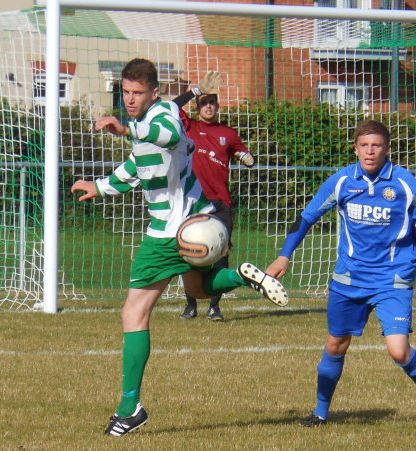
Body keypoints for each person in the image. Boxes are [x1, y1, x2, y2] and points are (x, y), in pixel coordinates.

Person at [70, 58, 288, 437]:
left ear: (154, 92)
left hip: (170, 232)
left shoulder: (164, 117)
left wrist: (125, 128)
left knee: (133, 313)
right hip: (197, 225)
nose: (131, 98)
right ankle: (240, 275)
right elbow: (136, 168)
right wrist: (99, 186)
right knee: (199, 291)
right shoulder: (155, 120)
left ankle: (129, 408)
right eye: (125, 92)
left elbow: (167, 136)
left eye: (138, 93)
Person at [266, 119, 416, 431]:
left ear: (387, 149)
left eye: (377, 145)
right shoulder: (342, 182)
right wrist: (284, 255)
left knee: (398, 351)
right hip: (350, 278)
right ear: (355, 149)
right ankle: (320, 413)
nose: (370, 151)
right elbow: (307, 218)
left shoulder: (403, 184)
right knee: (335, 346)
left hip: (392, 278)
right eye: (364, 145)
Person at [172, 73, 256, 321]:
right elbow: (172, 107)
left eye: (212, 102)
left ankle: (214, 307)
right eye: (204, 102)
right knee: (190, 252)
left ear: (218, 106)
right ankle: (190, 305)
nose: (208, 106)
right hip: (193, 202)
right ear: (197, 107)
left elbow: (244, 154)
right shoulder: (189, 127)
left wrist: (246, 158)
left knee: (220, 252)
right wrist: (195, 91)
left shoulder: (228, 134)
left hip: (220, 204)